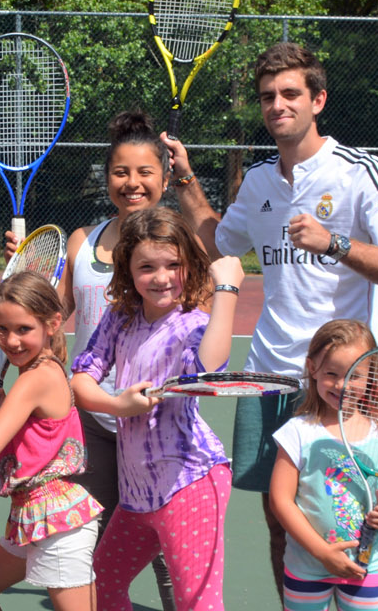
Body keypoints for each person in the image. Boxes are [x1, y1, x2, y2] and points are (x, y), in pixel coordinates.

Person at [173, 42, 378, 594]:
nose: (277, 105)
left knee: (352, 516)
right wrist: (187, 182)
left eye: (290, 93)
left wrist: (333, 242)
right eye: (268, 96)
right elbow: (220, 242)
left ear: (318, 99)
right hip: (270, 377)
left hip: (345, 380)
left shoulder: (363, 172)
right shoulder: (259, 181)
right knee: (281, 523)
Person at [1, 108, 197, 609]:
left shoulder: (177, 250)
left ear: (165, 177)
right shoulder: (83, 241)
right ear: (107, 177)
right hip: (87, 420)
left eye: (145, 172)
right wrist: (22, 275)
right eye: (120, 172)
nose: (132, 183)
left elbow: (201, 323)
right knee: (91, 543)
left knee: (164, 547)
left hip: (154, 421)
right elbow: (54, 315)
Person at [69, 207, 247, 611]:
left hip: (189, 483)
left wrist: (227, 291)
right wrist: (118, 404)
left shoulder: (192, 326)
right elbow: (81, 378)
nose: (162, 277)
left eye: (173, 264)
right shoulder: (120, 317)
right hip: (137, 496)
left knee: (196, 603)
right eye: (147, 266)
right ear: (128, 270)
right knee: (103, 585)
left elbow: (208, 368)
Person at [0, 271, 103, 611]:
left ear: (53, 324)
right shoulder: (40, 369)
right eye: (3, 329)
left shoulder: (35, 378)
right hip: (32, 516)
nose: (11, 341)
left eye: (24, 329)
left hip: (57, 520)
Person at [268, 319, 378, 611]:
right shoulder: (298, 431)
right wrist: (322, 552)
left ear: (371, 375)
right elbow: (280, 500)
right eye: (332, 374)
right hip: (306, 566)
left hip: (367, 565)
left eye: (355, 376)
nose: (343, 385)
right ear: (312, 368)